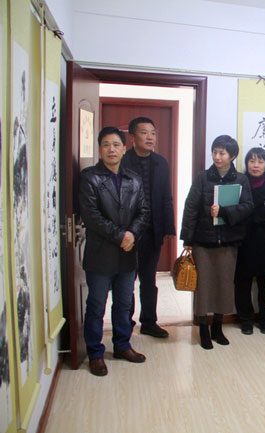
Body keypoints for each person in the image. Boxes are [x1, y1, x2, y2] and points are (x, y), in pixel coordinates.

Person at [79, 126, 150, 376]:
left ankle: (122, 345)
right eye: (106, 145)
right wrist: (122, 236)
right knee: (96, 306)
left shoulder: (134, 179)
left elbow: (143, 212)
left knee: (123, 304)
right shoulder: (89, 178)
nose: (112, 149)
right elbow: (92, 216)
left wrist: (133, 234)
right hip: (100, 254)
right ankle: (95, 353)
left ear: (124, 148)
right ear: (100, 149)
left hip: (127, 254)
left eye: (116, 145)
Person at [180, 135, 253, 350]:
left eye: (222, 153)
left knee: (224, 284)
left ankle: (218, 327)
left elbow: (248, 207)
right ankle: (203, 328)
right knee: (203, 285)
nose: (217, 157)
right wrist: (187, 239)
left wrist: (224, 211)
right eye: (214, 152)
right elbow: (190, 208)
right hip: (203, 241)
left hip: (229, 241)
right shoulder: (202, 178)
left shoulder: (241, 180)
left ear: (233, 155)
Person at [121, 117, 176, 338]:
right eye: (144, 132)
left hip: (153, 230)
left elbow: (166, 196)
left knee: (149, 280)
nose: (150, 137)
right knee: (126, 280)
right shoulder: (123, 161)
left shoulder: (161, 162)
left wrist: (169, 227)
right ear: (132, 136)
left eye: (153, 132)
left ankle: (149, 322)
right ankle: (125, 323)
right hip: (128, 232)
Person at [234, 147, 265, 335]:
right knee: (242, 282)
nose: (256, 165)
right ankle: (245, 320)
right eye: (252, 161)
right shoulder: (239, 184)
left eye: (260, 161)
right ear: (246, 163)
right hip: (242, 240)